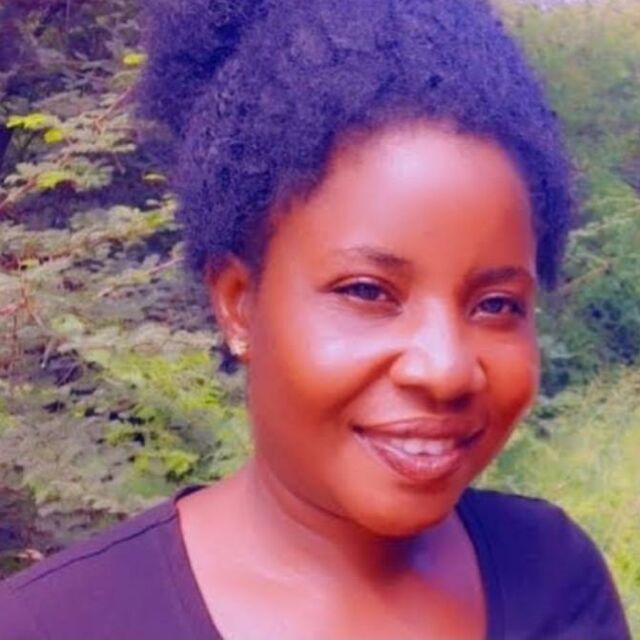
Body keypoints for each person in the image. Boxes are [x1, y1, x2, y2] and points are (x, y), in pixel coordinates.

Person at [0, 0, 631, 638]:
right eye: (368, 291)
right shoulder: (52, 625)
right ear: (238, 302)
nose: (445, 369)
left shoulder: (553, 576)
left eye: (495, 304)